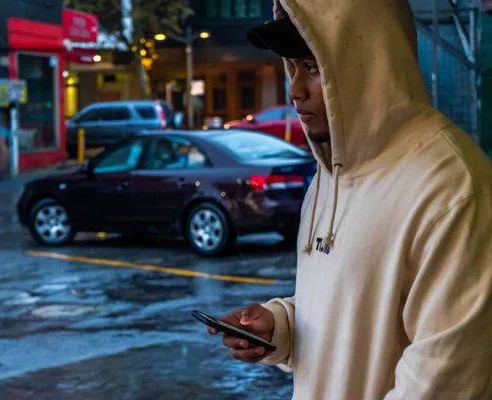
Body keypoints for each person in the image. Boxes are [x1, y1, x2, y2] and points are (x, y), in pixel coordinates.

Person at [208, 0, 492, 399]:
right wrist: (281, 326)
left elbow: (444, 382)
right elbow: (353, 310)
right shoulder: (330, 175)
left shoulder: (451, 187)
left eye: (312, 67)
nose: (294, 90)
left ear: (372, 63)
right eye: (292, 66)